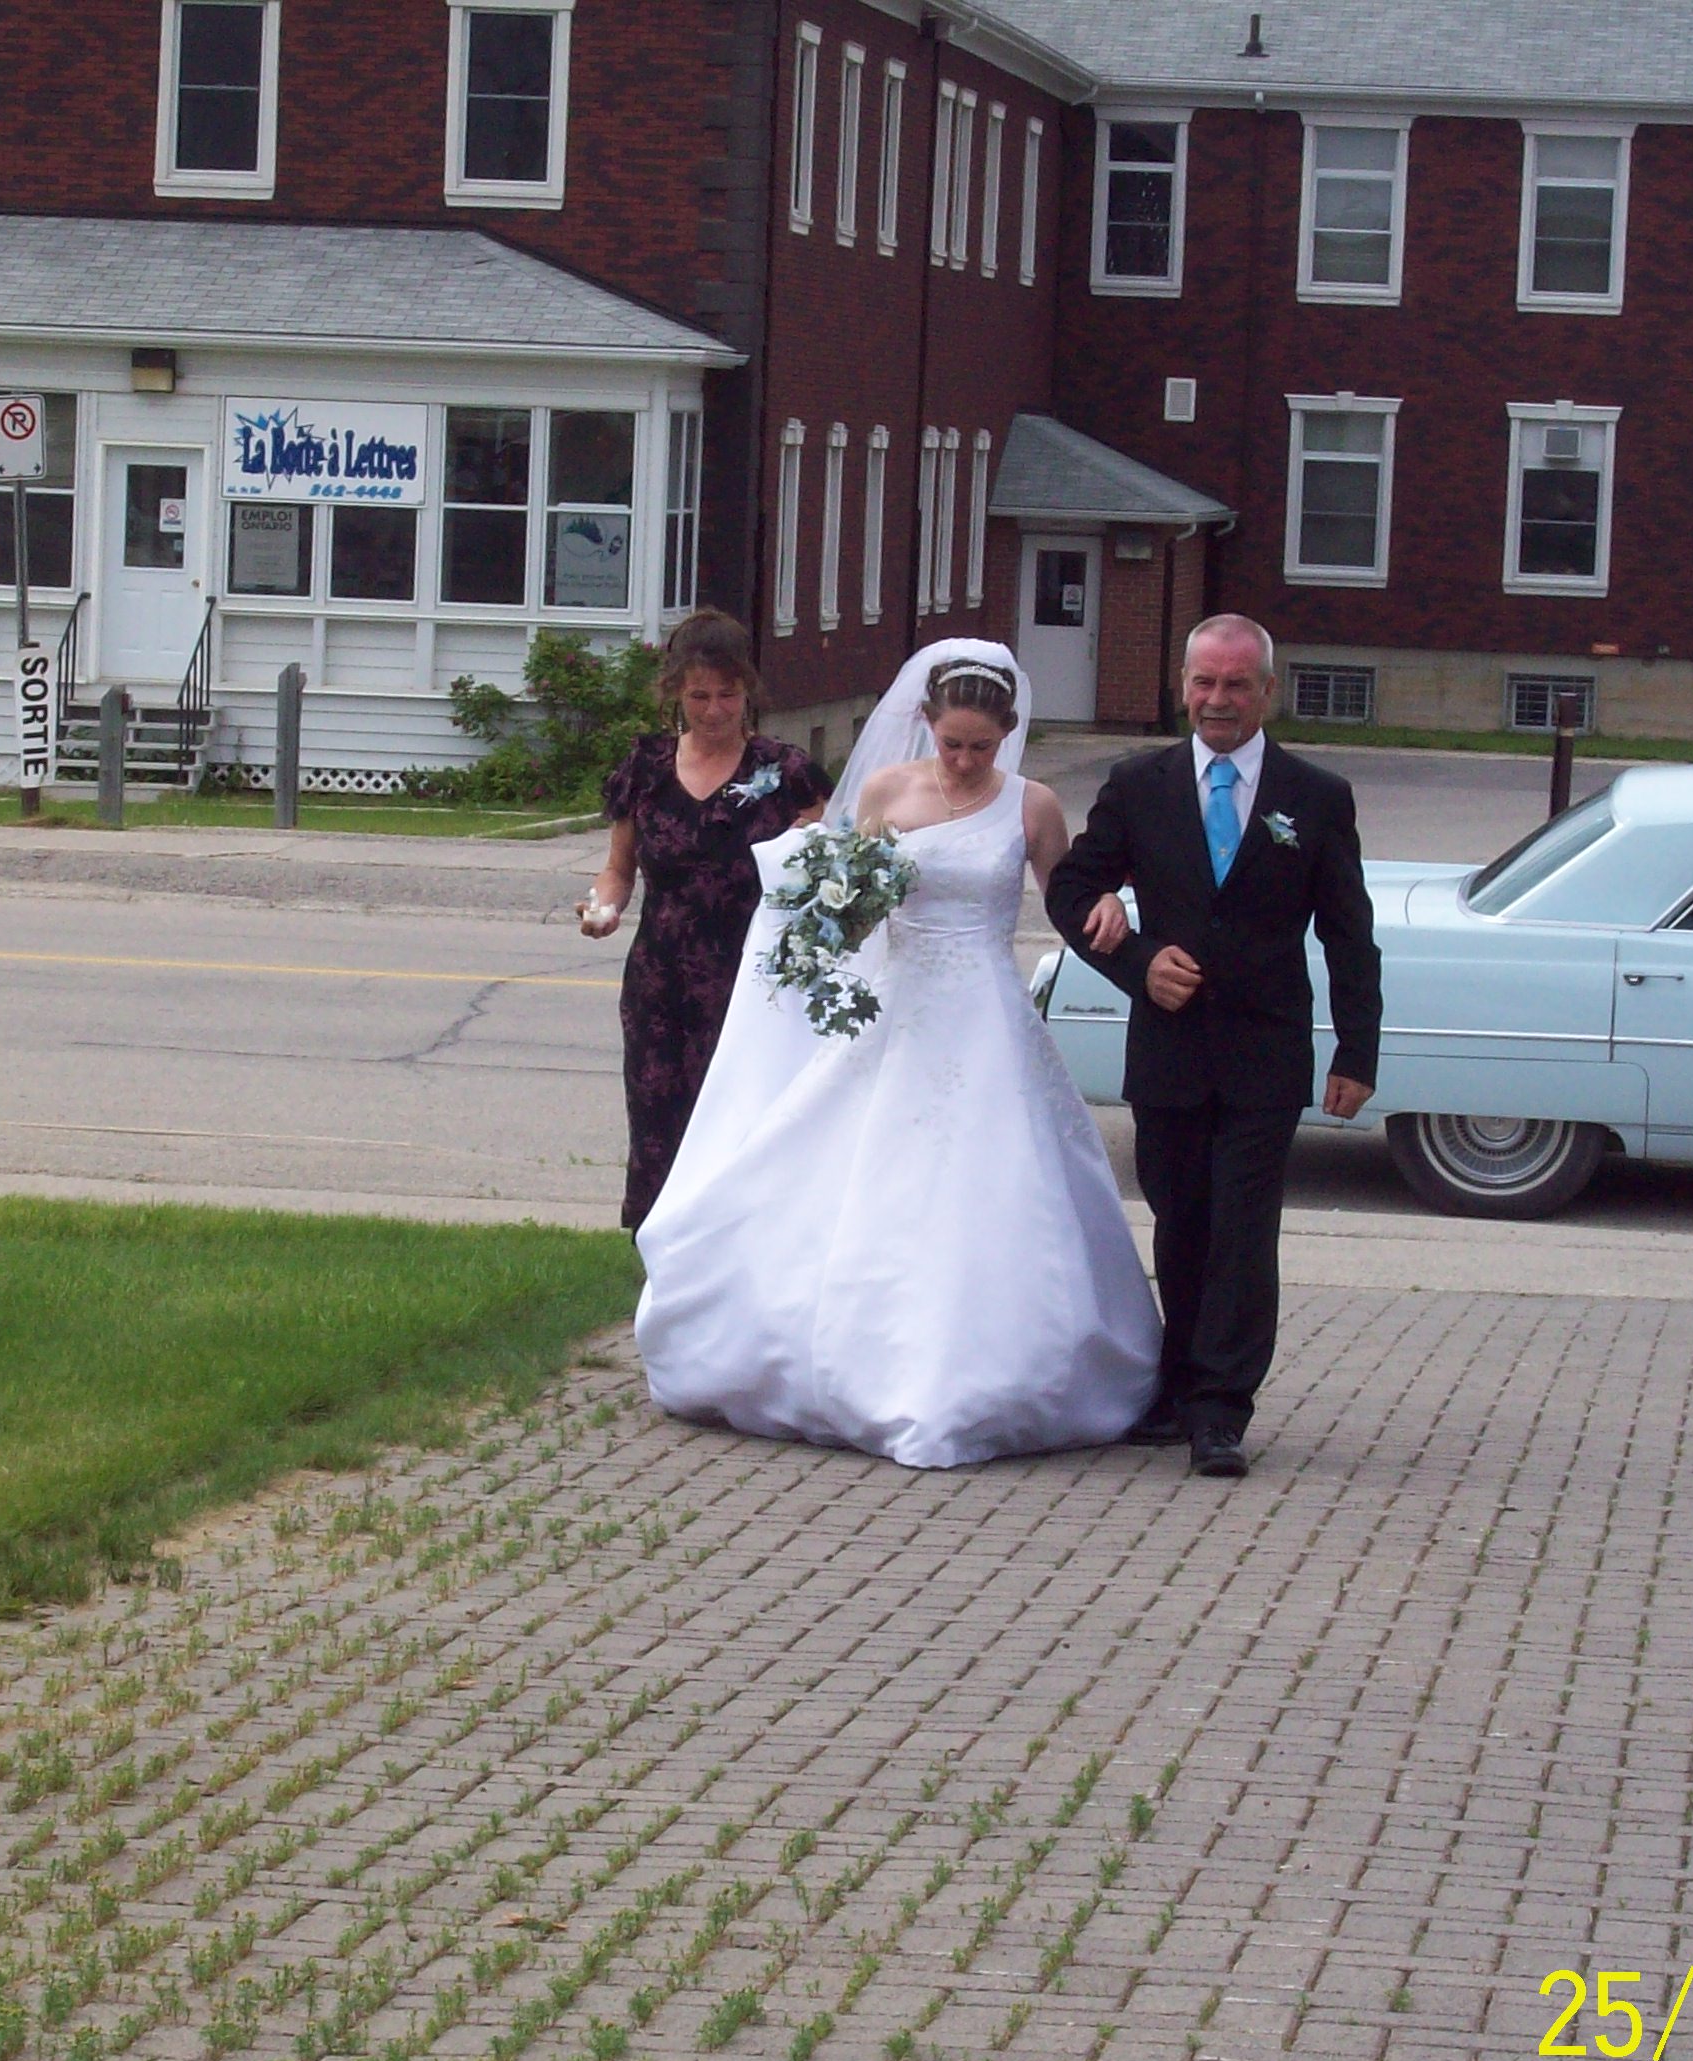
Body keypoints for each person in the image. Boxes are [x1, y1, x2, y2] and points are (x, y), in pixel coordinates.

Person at [632, 642, 1162, 1470]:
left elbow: (1064, 895)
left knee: (998, 1179)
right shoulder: (888, 791)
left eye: (981, 747)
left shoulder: (1032, 805)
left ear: (1008, 735)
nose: (963, 760)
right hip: (900, 1003)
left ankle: (1006, 1367)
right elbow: (842, 904)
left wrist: (1108, 913)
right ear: (927, 725)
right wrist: (827, 918)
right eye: (952, 743)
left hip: (986, 1011)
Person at [1046, 616, 1381, 1478]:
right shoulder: (1138, 784)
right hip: (1170, 1052)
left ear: (1267, 691)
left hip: (1266, 1053)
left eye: (1236, 685)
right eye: (1204, 682)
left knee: (1242, 1227)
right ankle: (1175, 1381)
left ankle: (1221, 1407)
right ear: (1183, 684)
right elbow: (1075, 886)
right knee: (1181, 1218)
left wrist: (1356, 1053)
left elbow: (1349, 934)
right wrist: (1132, 956)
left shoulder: (1316, 797)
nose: (1217, 701)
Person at [581, 612, 829, 1228]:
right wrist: (603, 906)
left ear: (748, 691)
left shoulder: (787, 772)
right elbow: (619, 869)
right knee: (660, 1123)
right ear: (674, 693)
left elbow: (823, 873)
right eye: (699, 697)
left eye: (728, 695)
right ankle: (662, 1260)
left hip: (754, 982)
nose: (715, 711)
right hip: (660, 980)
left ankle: (744, 1257)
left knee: (743, 1125)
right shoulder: (646, 767)